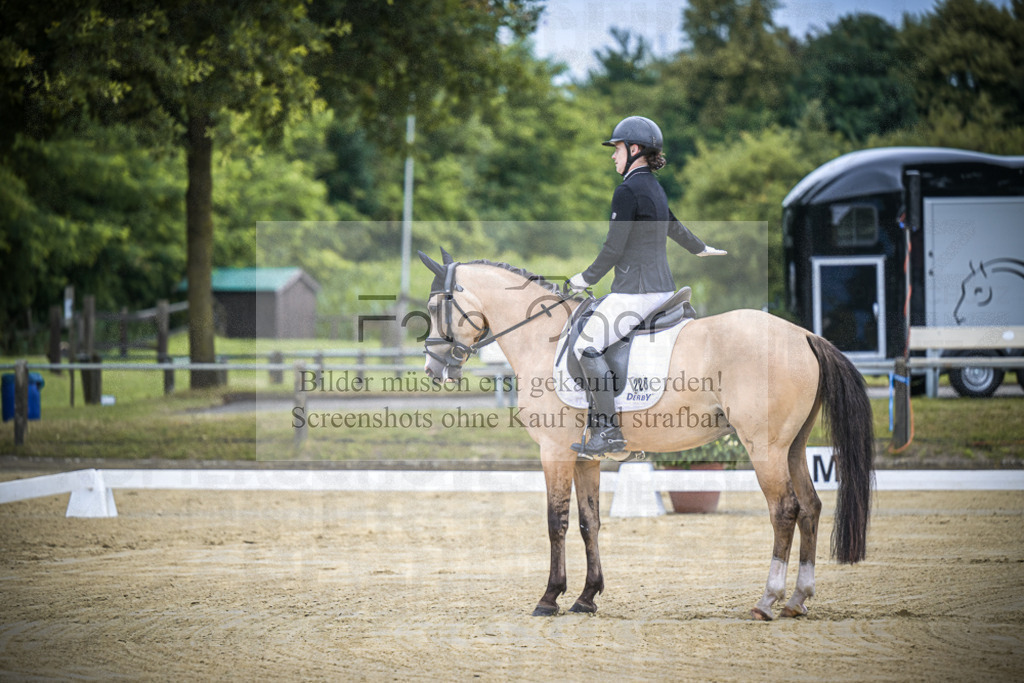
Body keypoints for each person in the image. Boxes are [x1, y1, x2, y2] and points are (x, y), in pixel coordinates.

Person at [567, 115, 727, 457]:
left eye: (617, 149)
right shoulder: (653, 186)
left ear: (635, 149)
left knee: (585, 346)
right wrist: (699, 247)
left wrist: (584, 279)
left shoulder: (627, 190)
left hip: (635, 293)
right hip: (663, 290)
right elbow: (673, 224)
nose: (613, 156)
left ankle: (608, 431)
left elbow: (614, 248)